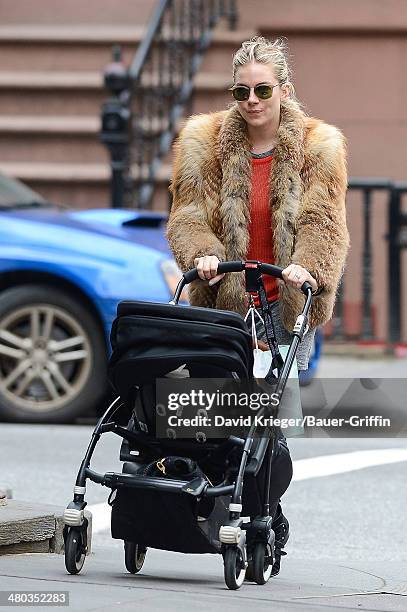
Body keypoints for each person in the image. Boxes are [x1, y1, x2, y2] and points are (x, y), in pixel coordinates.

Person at [167, 36, 349, 575]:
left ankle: (265, 516)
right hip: (222, 306)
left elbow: (324, 223)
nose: (251, 100)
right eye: (241, 90)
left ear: (283, 90)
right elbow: (186, 215)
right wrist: (202, 253)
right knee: (218, 423)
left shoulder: (319, 147)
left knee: (275, 428)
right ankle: (215, 512)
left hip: (283, 305)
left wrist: (307, 268)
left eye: (262, 89)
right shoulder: (203, 143)